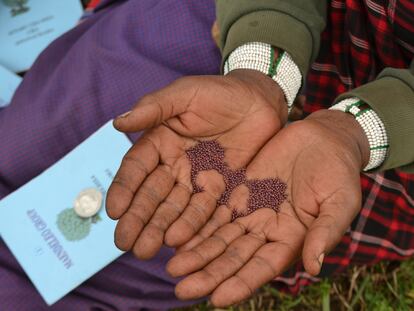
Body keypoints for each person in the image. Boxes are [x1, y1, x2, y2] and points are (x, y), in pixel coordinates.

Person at [0, 0, 412, 310]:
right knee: (39, 129)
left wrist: (361, 129)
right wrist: (261, 67)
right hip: (272, 25)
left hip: (392, 152)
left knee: (140, 253)